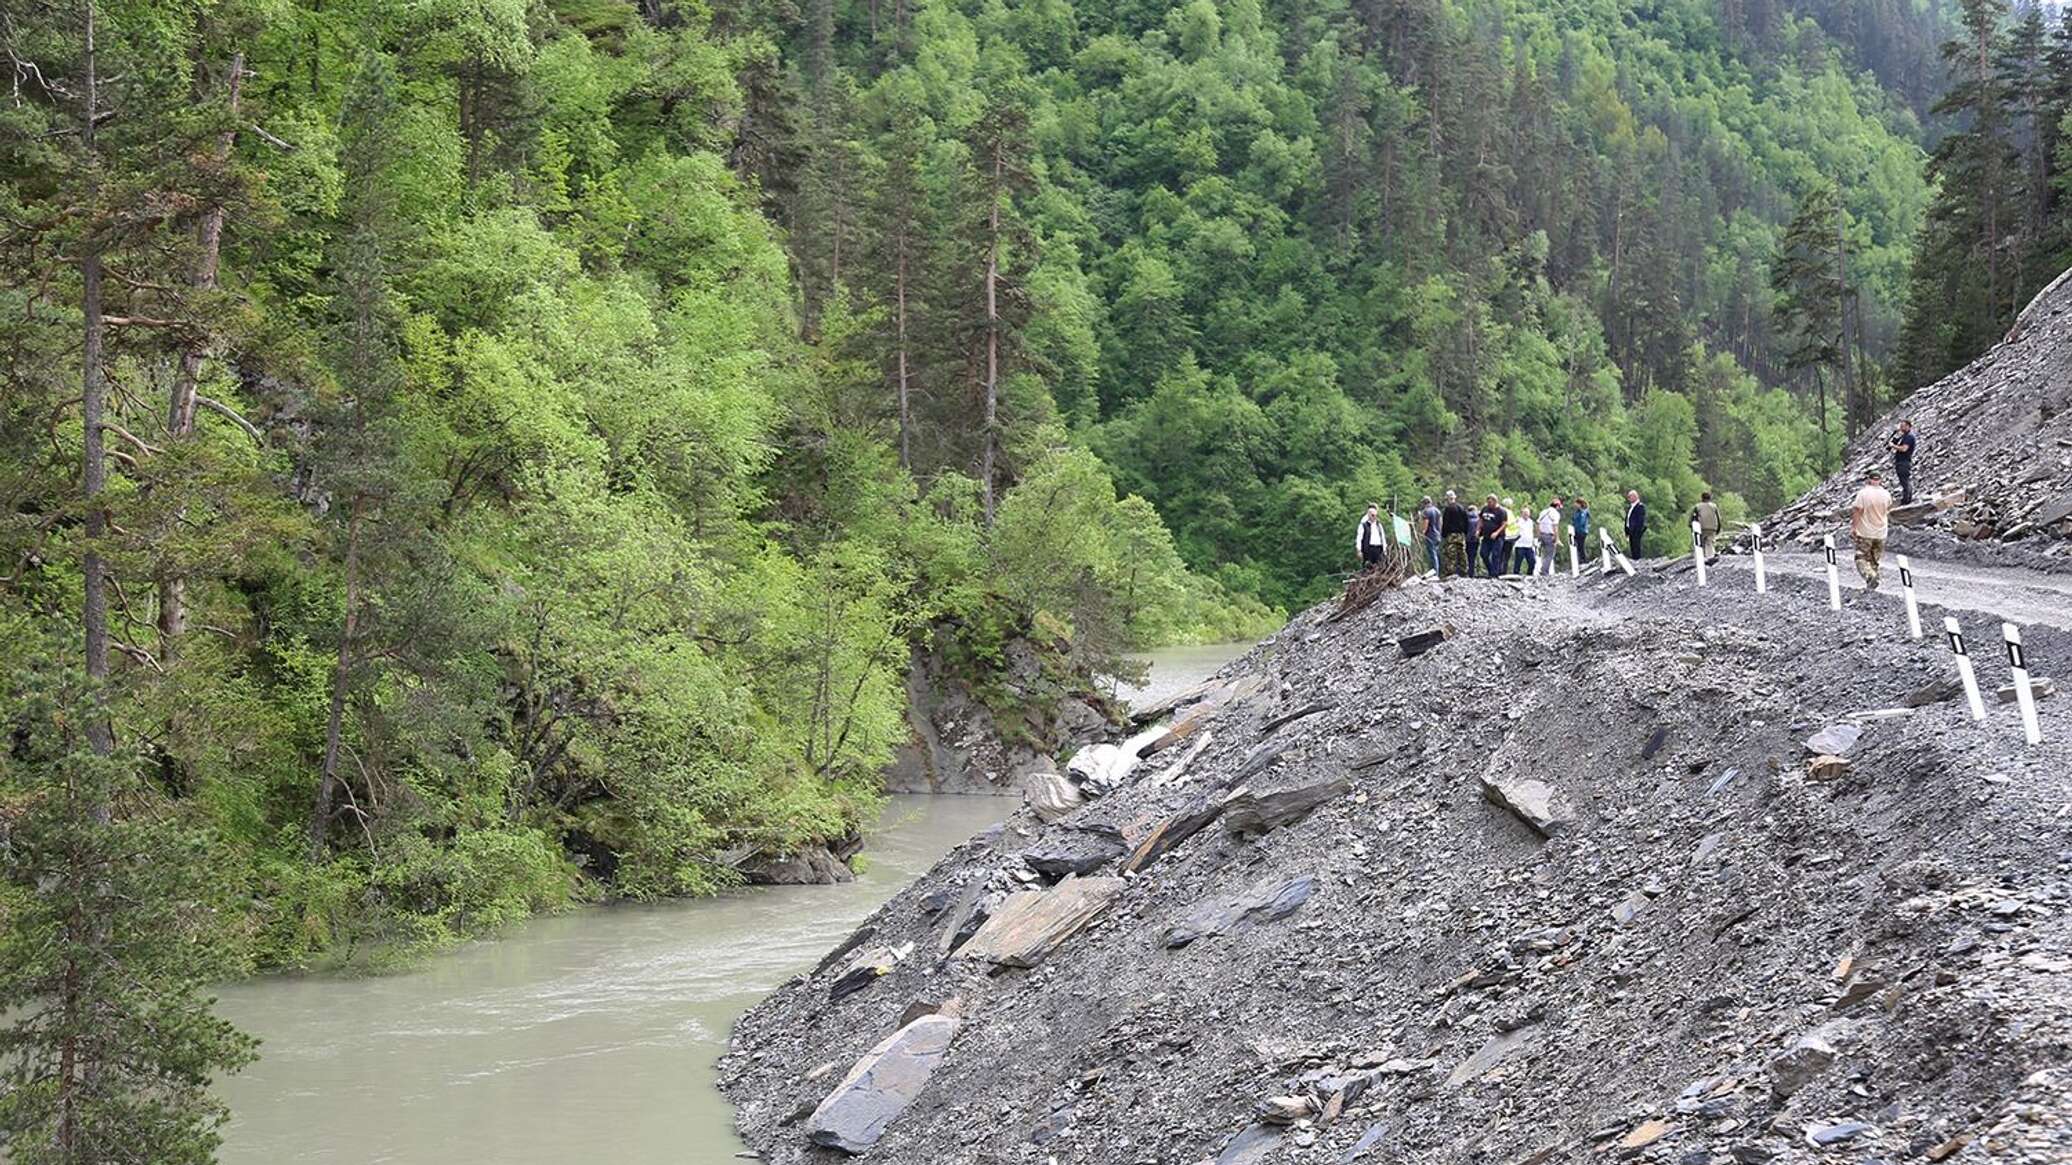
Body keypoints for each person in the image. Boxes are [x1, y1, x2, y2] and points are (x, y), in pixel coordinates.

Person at [1851, 470, 1893, 591]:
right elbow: (1888, 509)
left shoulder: (1863, 493)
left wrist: (1854, 527)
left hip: (1865, 531)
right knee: (1874, 559)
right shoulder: (1886, 494)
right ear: (1880, 480)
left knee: (1861, 557)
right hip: (1881, 532)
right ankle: (1873, 585)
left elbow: (1857, 510)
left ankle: (1870, 577)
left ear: (1869, 479)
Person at [1439, 491, 1471, 578]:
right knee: (1462, 553)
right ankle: (1464, 571)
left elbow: (1445, 523)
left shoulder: (1448, 509)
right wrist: (1465, 532)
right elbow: (1467, 522)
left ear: (1448, 498)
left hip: (1451, 535)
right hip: (1461, 535)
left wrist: (1444, 534)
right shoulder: (1462, 508)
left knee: (1450, 554)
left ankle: (1450, 572)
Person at [1479, 495, 1508, 577]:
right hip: (1486, 536)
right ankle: (1490, 570)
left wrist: (1496, 532)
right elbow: (1481, 519)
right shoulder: (1485, 509)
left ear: (1495, 502)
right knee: (1483, 553)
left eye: (1490, 502)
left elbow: (1505, 524)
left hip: (1498, 537)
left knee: (1495, 555)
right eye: (1488, 502)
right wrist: (1478, 530)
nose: (1488, 504)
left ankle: (1494, 574)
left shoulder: (1501, 511)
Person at [1890, 419, 1917, 504]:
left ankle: (1907, 499)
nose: (1901, 428)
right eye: (1901, 426)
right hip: (1901, 461)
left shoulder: (1909, 437)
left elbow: (1904, 448)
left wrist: (1893, 446)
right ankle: (1906, 498)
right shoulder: (1903, 436)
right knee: (1903, 480)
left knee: (1904, 480)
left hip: (1904, 461)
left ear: (1908, 426)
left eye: (1903, 426)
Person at [1691, 491, 1722, 560]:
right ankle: (1710, 557)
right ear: (1710, 498)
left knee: (1700, 543)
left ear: (1702, 498)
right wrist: (1718, 528)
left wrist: (1692, 527)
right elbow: (1718, 518)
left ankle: (1700, 558)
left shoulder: (1698, 506)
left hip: (1701, 527)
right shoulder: (1714, 506)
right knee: (1709, 543)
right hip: (1712, 528)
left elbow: (1693, 518)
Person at [1356, 504, 1387, 569]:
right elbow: (1359, 538)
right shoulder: (1363, 525)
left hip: (1378, 549)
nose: (1374, 517)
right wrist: (1359, 550)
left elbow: (1383, 538)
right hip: (1368, 550)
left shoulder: (1379, 525)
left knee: (1380, 567)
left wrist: (1384, 550)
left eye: (1375, 515)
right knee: (1368, 567)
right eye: (1372, 515)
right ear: (1369, 515)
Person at [1511, 499, 1537, 575]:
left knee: (1532, 561)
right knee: (1518, 562)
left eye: (1527, 513)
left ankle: (1529, 574)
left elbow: (1532, 531)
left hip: (1529, 545)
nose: (1526, 514)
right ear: (1522, 513)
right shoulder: (1518, 520)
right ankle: (1516, 574)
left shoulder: (1531, 522)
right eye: (1525, 513)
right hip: (1520, 544)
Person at [1537, 498, 1562, 575]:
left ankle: (1543, 569)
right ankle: (1544, 571)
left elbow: (1538, 523)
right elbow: (1555, 526)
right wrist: (1556, 538)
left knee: (1544, 553)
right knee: (1550, 554)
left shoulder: (1543, 512)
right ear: (1557, 506)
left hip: (1542, 534)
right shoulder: (1555, 514)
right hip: (1550, 535)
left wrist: (1538, 535)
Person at [1419, 495, 1443, 573]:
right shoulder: (1437, 511)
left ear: (1424, 503)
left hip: (1430, 535)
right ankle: (1437, 571)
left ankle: (1435, 572)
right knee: (1436, 554)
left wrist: (1423, 532)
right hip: (1437, 535)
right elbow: (1440, 523)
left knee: (1432, 555)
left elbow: (1426, 523)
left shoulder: (1426, 511)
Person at [1624, 489, 1647, 561]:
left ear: (1635, 497)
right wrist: (1627, 531)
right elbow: (1628, 519)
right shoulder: (1631, 507)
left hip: (1636, 531)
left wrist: (1637, 531)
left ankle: (1637, 560)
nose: (1628, 498)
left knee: (1636, 546)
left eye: (1630, 497)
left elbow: (1640, 521)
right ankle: (1634, 559)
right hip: (1630, 530)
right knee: (1632, 547)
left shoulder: (1640, 506)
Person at [1571, 498, 1592, 564]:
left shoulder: (1583, 512)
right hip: (1576, 531)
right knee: (1578, 546)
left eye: (1576, 503)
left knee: (1581, 546)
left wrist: (1576, 528)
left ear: (1579, 504)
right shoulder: (1577, 512)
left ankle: (1584, 560)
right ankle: (1581, 560)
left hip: (1581, 531)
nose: (1574, 505)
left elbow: (1581, 522)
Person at [1464, 503, 1483, 578]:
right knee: (1473, 556)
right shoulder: (1479, 519)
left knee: (1467, 555)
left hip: (1467, 539)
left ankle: (1467, 571)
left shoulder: (1465, 518)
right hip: (1475, 539)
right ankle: (1472, 572)